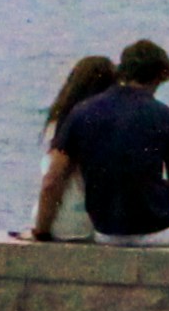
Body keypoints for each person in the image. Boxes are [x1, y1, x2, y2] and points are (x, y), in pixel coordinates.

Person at [27, 37, 169, 248]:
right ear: (161, 76)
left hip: (106, 230)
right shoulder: (168, 118)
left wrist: (42, 231)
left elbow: (52, 181)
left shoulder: (81, 113)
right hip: (157, 225)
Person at [25, 54, 119, 239]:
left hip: (65, 224)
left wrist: (40, 231)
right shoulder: (117, 126)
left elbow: (52, 182)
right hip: (106, 226)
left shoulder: (65, 124)